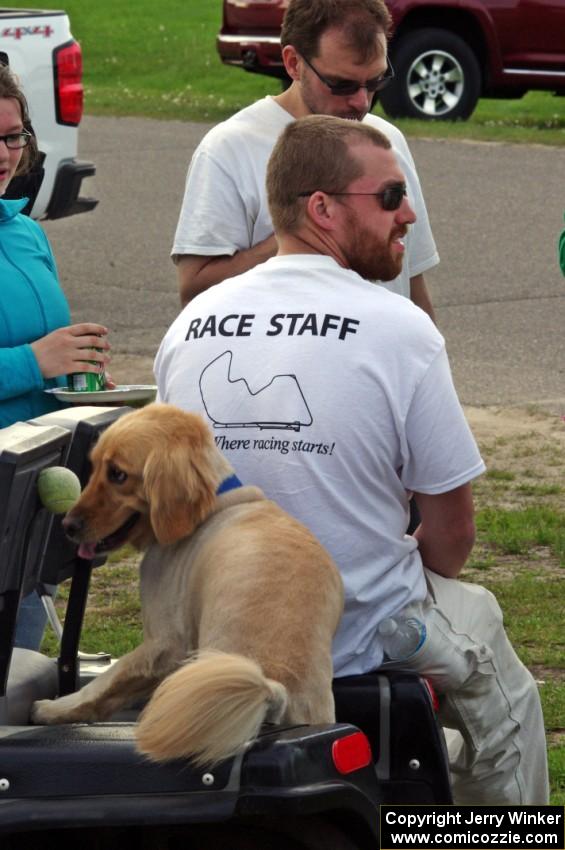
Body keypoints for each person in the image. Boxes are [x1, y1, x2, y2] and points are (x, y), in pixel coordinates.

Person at [155, 115, 549, 805]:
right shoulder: (400, 329)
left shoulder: (191, 324)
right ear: (322, 208)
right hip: (356, 635)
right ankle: (502, 829)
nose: (409, 214)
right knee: (499, 673)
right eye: (391, 195)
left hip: (210, 636)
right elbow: (451, 537)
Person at [172, 0, 438, 322]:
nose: (362, 102)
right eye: (342, 84)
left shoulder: (387, 141)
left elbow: (412, 284)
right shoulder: (231, 148)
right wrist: (298, 236)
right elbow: (195, 292)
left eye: (376, 82)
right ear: (293, 63)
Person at [0, 63, 112, 649]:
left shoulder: (26, 233)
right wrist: (33, 361)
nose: (4, 153)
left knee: (17, 666)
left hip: (32, 485)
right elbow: (32, 354)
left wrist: (81, 369)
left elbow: (48, 346)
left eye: (12, 136)